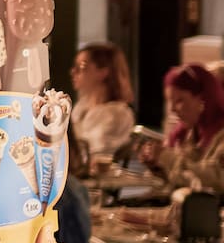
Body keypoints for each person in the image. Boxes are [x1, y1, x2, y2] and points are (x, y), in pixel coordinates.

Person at [139, 63, 224, 194]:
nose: (172, 109)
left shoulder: (220, 134)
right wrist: (158, 167)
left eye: (179, 100)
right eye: (170, 101)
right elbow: (182, 179)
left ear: (203, 98)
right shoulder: (188, 133)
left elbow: (216, 180)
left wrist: (166, 157)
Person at [69, 43, 137, 163]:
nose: (73, 71)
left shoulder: (117, 114)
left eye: (82, 66)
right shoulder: (82, 106)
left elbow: (93, 153)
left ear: (103, 72)